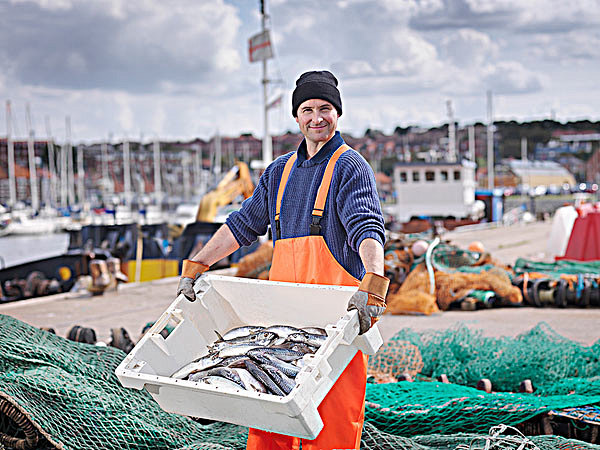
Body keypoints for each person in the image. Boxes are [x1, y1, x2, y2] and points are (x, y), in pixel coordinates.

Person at [176, 70, 389, 450]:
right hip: (280, 326)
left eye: (326, 108)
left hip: (336, 323)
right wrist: (198, 263)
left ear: (338, 114)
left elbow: (366, 226)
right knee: (268, 420)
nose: (317, 117)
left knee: (332, 424)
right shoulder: (278, 172)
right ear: (296, 117)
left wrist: (373, 280)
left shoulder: (350, 166)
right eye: (308, 109)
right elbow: (242, 225)